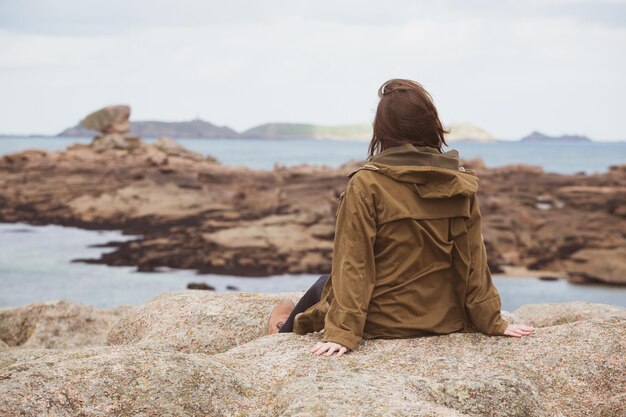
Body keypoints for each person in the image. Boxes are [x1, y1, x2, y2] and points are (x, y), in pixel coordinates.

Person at [267, 79, 535, 357]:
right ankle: (284, 327)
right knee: (326, 283)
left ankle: (281, 332)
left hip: (381, 321)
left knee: (325, 282)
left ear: (382, 130)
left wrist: (342, 333)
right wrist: (491, 320)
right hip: (443, 319)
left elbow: (354, 263)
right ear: (431, 126)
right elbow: (474, 261)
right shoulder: (460, 184)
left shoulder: (366, 184)